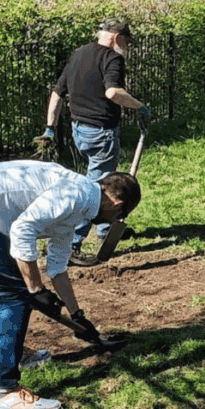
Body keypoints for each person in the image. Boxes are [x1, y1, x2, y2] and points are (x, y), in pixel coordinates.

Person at [0, 164, 141, 409]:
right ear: (117, 204)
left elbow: (58, 268)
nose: (113, 222)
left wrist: (77, 316)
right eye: (119, 216)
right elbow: (23, 230)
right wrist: (36, 289)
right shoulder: (75, 195)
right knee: (17, 293)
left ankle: (15, 354)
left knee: (18, 288)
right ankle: (4, 392)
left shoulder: (76, 205)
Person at [41, 19, 149, 265]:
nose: (127, 47)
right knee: (95, 191)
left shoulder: (79, 53)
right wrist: (140, 106)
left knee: (99, 182)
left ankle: (105, 230)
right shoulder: (112, 59)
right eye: (127, 42)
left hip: (79, 131)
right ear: (117, 37)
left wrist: (50, 128)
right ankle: (72, 244)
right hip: (101, 132)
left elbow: (57, 93)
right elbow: (113, 92)